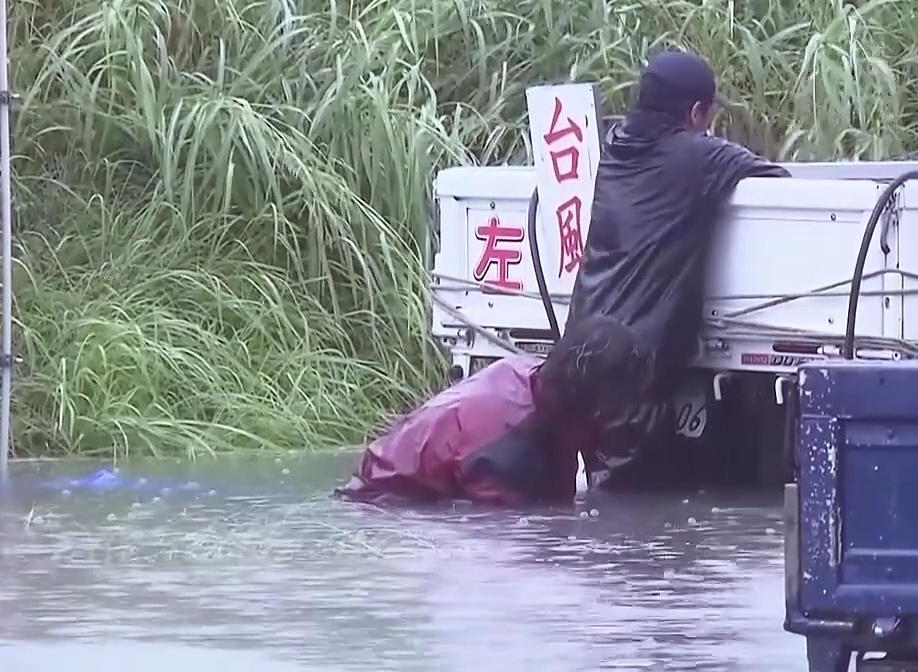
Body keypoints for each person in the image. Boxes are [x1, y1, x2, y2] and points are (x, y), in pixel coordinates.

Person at [566, 48, 789, 491]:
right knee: (633, 525)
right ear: (694, 113)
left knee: (594, 505)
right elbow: (779, 182)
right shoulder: (699, 158)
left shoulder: (614, 147)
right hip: (634, 376)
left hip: (579, 358)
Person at [335, 315, 650, 506]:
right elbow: (506, 549)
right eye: (614, 413)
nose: (618, 425)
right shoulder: (511, 452)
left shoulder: (530, 374)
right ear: (585, 408)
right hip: (383, 511)